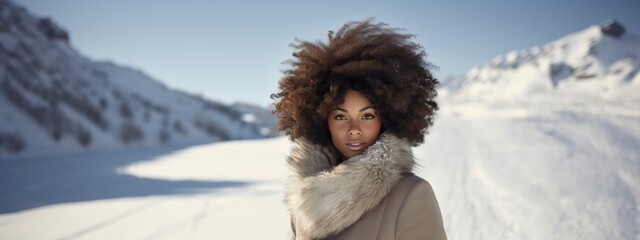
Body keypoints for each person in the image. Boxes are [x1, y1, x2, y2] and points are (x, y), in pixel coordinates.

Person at [272, 19, 447, 240]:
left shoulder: (410, 195)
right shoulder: (303, 197)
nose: (354, 129)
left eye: (367, 116)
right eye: (340, 117)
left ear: (386, 119)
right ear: (321, 120)